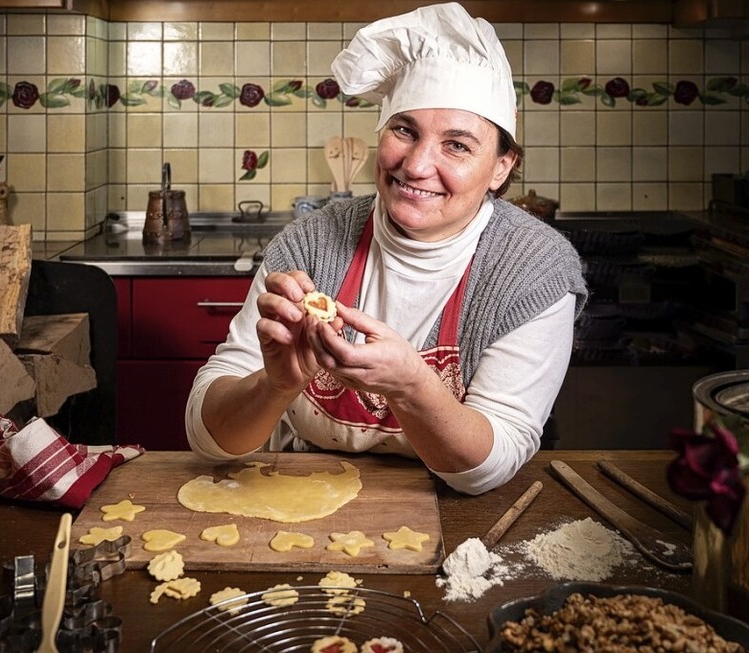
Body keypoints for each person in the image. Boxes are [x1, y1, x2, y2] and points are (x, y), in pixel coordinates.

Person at [185, 2, 587, 495]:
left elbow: (488, 468)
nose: (416, 165)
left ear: (501, 167)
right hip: (297, 494)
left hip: (458, 514)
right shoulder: (312, 243)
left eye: (457, 145)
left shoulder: (533, 270)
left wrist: (411, 386)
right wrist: (275, 386)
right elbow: (209, 439)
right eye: (404, 130)